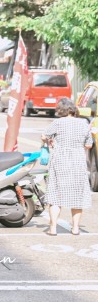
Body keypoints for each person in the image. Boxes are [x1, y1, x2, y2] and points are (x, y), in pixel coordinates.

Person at [42, 98, 92, 236]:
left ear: (60, 110)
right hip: (78, 160)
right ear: (73, 109)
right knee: (77, 196)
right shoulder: (84, 123)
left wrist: (50, 140)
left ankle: (53, 229)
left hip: (60, 159)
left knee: (56, 195)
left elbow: (44, 136)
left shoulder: (57, 123)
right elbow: (89, 144)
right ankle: (75, 228)